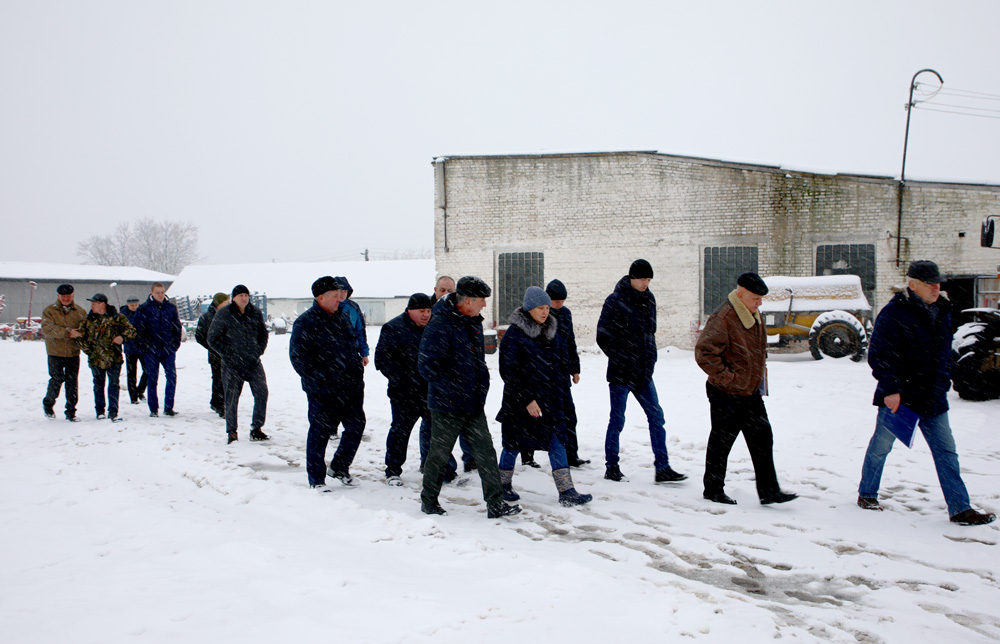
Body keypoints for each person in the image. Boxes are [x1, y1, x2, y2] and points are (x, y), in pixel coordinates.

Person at [858, 260, 996, 526]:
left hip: (932, 397)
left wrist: (943, 384)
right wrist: (891, 389)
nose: (937, 287)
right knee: (881, 446)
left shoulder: (944, 310)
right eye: (930, 283)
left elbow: (944, 355)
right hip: (900, 397)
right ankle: (867, 494)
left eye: (938, 282)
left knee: (946, 451)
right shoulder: (895, 312)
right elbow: (880, 355)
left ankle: (960, 508)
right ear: (913, 285)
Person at [418, 276, 521, 518]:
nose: (485, 305)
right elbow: (427, 366)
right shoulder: (440, 324)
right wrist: (453, 390)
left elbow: (476, 362)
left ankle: (495, 504)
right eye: (482, 300)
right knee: (439, 455)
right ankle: (428, 501)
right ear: (468, 300)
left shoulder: (473, 322)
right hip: (447, 405)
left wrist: (480, 387)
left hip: (472, 403)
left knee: (486, 453)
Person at [694, 273, 797, 505]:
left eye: (761, 299)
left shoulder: (752, 313)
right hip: (726, 393)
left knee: (762, 437)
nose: (759, 303)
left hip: (750, 393)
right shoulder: (724, 318)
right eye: (755, 298)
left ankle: (769, 491)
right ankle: (712, 489)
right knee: (722, 442)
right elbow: (704, 353)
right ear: (740, 293)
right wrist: (730, 379)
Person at [497, 287, 592, 507]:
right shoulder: (514, 334)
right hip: (521, 402)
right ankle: (502, 486)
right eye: (540, 307)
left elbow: (559, 363)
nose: (545, 312)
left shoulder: (552, 330)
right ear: (529, 307)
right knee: (513, 444)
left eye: (547, 307)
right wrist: (527, 399)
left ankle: (567, 491)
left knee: (557, 440)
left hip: (550, 400)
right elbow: (509, 371)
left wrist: (562, 389)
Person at [596, 259, 687, 483]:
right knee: (617, 421)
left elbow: (650, 333)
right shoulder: (615, 301)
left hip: (644, 373)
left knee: (657, 417)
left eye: (649, 279)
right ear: (632, 278)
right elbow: (603, 336)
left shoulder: (649, 299)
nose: (646, 283)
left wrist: (651, 358)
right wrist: (624, 357)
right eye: (643, 279)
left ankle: (663, 467)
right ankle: (612, 467)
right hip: (621, 373)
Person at [376, 292, 463, 484]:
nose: (425, 314)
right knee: (400, 431)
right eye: (421, 311)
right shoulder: (393, 328)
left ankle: (445, 470)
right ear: (409, 310)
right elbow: (382, 360)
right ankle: (393, 470)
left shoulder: (434, 327)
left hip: (430, 391)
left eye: (428, 310)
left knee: (437, 432)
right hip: (404, 393)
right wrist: (403, 379)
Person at [290, 276, 367, 489]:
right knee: (320, 432)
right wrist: (321, 380)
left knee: (356, 426)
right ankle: (316, 479)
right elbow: (299, 358)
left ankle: (340, 466)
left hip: (349, 387)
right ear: (321, 297)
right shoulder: (306, 322)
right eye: (334, 297)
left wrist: (356, 374)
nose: (338, 300)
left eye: (339, 296)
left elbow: (351, 348)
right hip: (323, 391)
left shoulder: (342, 317)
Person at [208, 285, 269, 444]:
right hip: (232, 364)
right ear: (234, 297)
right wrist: (228, 353)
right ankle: (232, 432)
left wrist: (258, 350)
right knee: (232, 398)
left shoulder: (255, 312)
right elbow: (212, 338)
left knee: (262, 393)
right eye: (241, 295)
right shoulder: (224, 313)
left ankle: (257, 428)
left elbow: (263, 333)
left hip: (253, 362)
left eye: (246, 295)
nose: (244, 298)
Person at [78, 293, 136, 422]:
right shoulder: (88, 320)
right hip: (96, 359)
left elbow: (132, 331)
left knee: (113, 384)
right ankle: (100, 411)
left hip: (114, 358)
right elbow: (81, 338)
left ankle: (113, 411)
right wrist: (90, 351)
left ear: (102, 304)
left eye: (94, 303)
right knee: (98, 385)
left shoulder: (117, 318)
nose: (92, 306)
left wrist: (122, 337)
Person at [132, 282, 182, 417]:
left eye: (162, 292)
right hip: (151, 350)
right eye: (157, 292)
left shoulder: (170, 308)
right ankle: (153, 409)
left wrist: (174, 345)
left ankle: (168, 407)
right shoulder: (144, 309)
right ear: (152, 293)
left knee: (171, 377)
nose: (160, 295)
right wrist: (145, 347)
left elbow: (176, 328)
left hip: (168, 349)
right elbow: (137, 330)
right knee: (152, 379)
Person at [41, 284, 87, 421]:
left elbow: (85, 329)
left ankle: (71, 411)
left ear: (73, 296)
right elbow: (48, 328)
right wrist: (67, 332)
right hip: (55, 352)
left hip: (73, 353)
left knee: (72, 383)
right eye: (63, 296)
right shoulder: (49, 311)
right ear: (58, 296)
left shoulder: (80, 312)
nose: (65, 298)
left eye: (68, 296)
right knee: (57, 379)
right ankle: (48, 404)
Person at [196, 292, 230, 417]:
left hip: (227, 353)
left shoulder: (228, 315)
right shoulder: (207, 317)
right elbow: (199, 336)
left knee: (226, 379)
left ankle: (218, 402)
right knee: (218, 379)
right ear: (219, 303)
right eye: (226, 302)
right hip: (215, 355)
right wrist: (212, 347)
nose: (228, 304)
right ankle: (219, 405)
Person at [334, 276, 370, 366]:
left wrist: (364, 353)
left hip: (352, 352)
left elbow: (360, 331)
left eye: (345, 291)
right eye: (340, 291)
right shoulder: (329, 307)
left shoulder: (353, 307)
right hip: (333, 354)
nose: (342, 294)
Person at [120, 296, 147, 405]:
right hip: (130, 348)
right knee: (131, 373)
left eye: (136, 305)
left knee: (148, 371)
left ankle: (140, 390)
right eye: (132, 305)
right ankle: (133, 397)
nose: (134, 307)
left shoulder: (142, 313)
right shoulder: (123, 315)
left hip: (142, 348)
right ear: (128, 305)